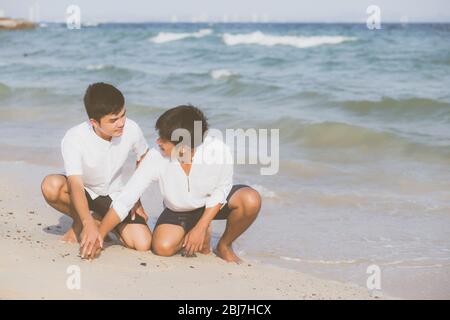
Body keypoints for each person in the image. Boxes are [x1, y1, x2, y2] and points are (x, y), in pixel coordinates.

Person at [87, 105, 261, 263]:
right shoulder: (156, 157)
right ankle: (192, 233)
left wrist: (201, 226)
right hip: (179, 210)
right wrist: (99, 235)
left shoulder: (218, 151)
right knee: (162, 248)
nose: (157, 142)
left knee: (250, 199)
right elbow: (126, 199)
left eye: (163, 139)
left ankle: (224, 245)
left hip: (212, 204)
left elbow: (221, 190)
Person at [41, 82, 152, 258]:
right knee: (51, 185)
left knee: (142, 243)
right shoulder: (75, 138)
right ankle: (87, 221)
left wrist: (135, 198)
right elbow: (76, 184)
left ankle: (101, 220)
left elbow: (144, 159)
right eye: (113, 120)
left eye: (123, 115)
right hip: (84, 191)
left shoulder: (132, 129)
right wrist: (86, 222)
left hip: (115, 194)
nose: (121, 123)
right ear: (94, 122)